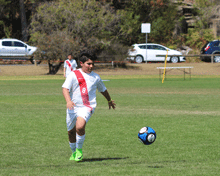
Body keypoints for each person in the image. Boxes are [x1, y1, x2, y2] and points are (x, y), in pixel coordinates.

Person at [62, 52, 116, 161]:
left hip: (87, 106)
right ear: (81, 63)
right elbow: (65, 88)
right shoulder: (73, 74)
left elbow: (103, 89)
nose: (91, 66)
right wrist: (68, 101)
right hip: (73, 106)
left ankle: (79, 151)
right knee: (70, 132)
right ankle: (74, 153)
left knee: (80, 127)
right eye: (88, 64)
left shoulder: (96, 77)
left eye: (92, 64)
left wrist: (109, 100)